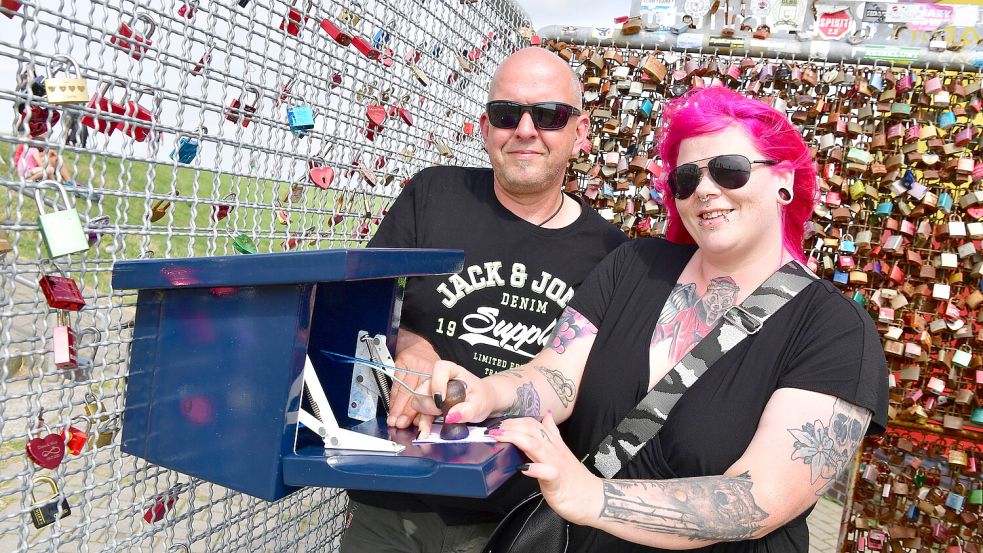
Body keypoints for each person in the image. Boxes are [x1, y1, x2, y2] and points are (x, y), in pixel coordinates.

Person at [413, 86, 888, 552]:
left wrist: (589, 495)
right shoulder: (633, 266)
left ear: (784, 180)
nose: (704, 189)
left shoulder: (835, 330)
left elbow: (759, 499)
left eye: (729, 171)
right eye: (686, 178)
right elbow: (557, 376)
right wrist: (486, 393)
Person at [341, 47, 628, 553]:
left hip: (512, 516)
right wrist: (411, 346)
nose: (524, 129)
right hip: (392, 497)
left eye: (549, 116)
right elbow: (361, 304)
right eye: (505, 114)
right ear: (484, 126)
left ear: (580, 134)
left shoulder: (610, 254)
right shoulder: (434, 194)